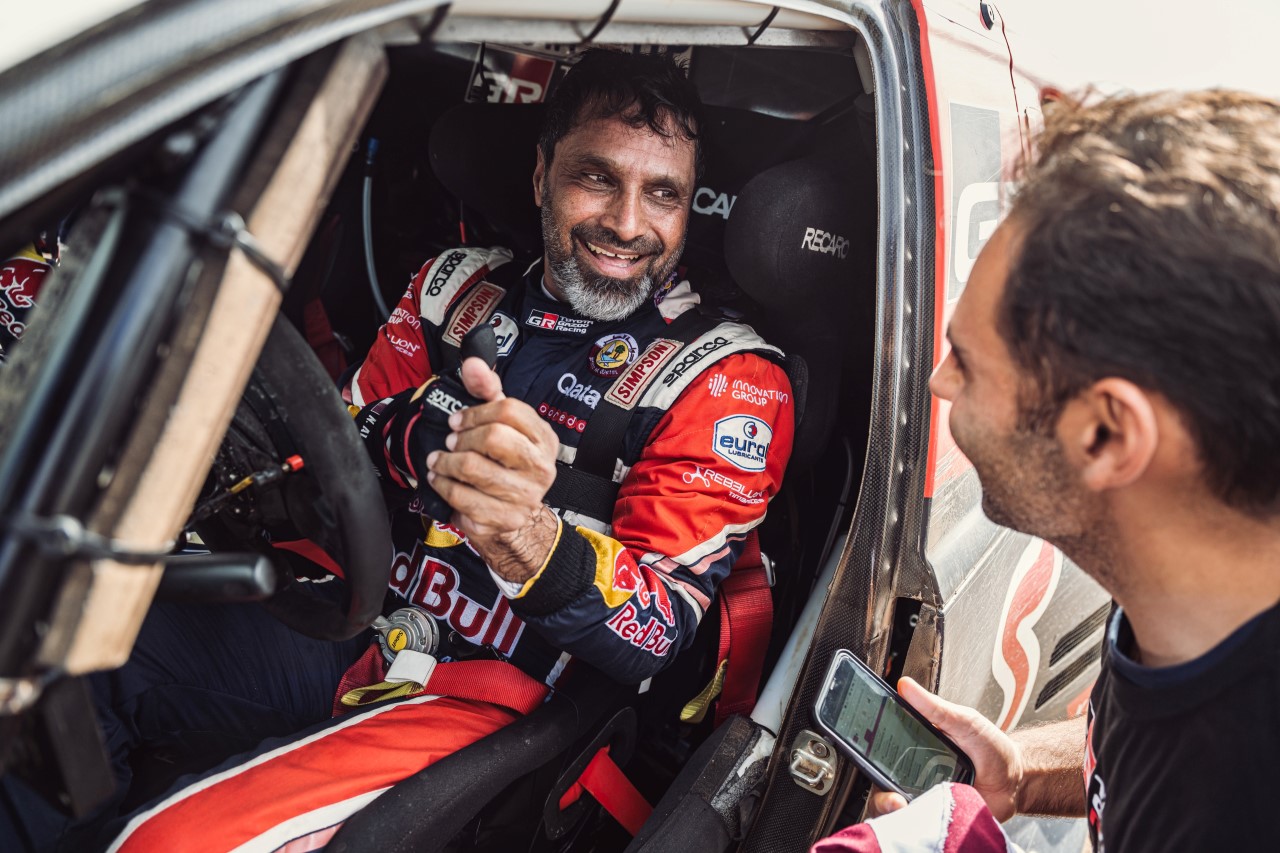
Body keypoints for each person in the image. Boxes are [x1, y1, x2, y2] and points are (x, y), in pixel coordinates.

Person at [0, 49, 793, 852]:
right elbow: (332, 455)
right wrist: (411, 432)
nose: (626, 223)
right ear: (541, 174)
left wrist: (525, 534)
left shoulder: (725, 378)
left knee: (162, 844)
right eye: (597, 177)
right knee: (40, 650)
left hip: (487, 695)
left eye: (663, 194)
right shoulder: (456, 288)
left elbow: (659, 630)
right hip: (354, 616)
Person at [814, 90, 1280, 853]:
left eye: (969, 362)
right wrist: (1023, 773)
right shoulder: (1187, 596)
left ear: (1105, 433)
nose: (939, 381)